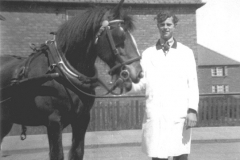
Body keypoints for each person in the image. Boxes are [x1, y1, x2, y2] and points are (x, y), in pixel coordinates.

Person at [127, 11, 199, 160]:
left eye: (169, 24)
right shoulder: (147, 54)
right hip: (156, 114)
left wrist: (192, 110)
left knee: (180, 154)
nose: (165, 27)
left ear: (174, 26)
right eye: (162, 24)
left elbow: (192, 83)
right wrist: (127, 84)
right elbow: (141, 83)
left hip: (178, 115)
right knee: (158, 156)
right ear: (158, 26)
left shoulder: (186, 52)